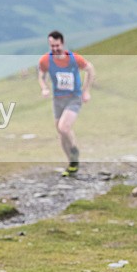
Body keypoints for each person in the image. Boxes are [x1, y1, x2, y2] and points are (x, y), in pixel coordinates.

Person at [38, 31, 95, 177]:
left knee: (64, 127)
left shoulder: (74, 59)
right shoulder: (46, 60)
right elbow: (41, 75)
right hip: (58, 99)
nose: (55, 49)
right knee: (61, 132)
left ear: (62, 43)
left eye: (57, 45)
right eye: (52, 46)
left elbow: (90, 69)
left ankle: (74, 150)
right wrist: (44, 88)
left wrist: (86, 91)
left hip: (73, 98)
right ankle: (71, 164)